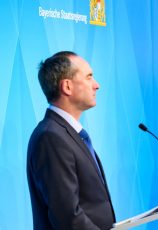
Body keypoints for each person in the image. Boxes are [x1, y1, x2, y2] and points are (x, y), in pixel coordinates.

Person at [27, 51, 115, 230]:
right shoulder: (51, 137)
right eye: (89, 77)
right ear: (67, 86)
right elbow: (67, 216)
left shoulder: (67, 134)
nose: (96, 85)